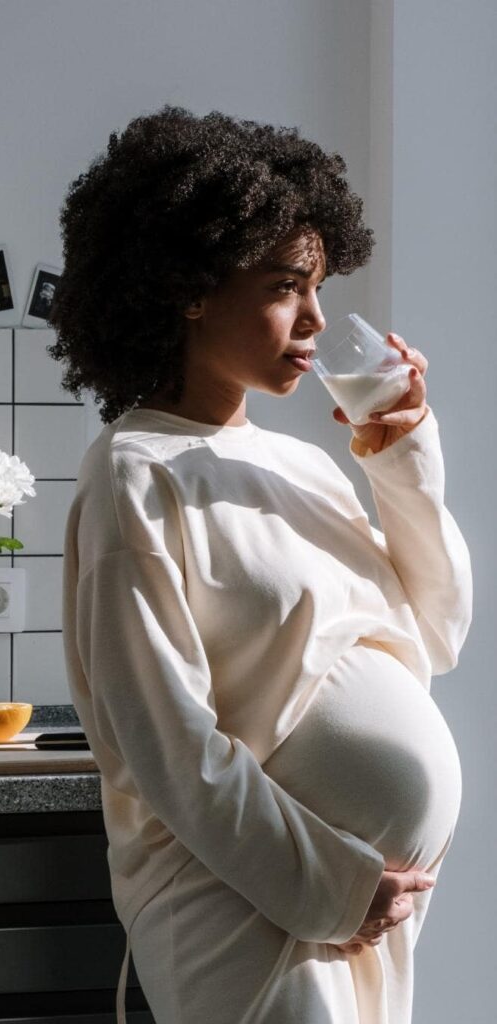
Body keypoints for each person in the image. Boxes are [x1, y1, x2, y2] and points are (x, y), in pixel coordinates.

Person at [48, 106, 472, 1023]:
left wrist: (400, 457)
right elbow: (168, 745)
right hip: (250, 909)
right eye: (287, 285)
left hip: (365, 909)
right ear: (191, 286)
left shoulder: (305, 463)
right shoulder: (132, 477)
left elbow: (435, 637)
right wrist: (332, 884)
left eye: (319, 286)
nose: (316, 319)